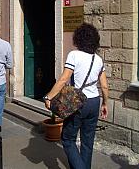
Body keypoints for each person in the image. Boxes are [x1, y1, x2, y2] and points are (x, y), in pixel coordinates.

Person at [44, 23, 108, 169]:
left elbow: (63, 79)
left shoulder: (74, 55)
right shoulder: (98, 59)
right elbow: (104, 86)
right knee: (87, 142)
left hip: (78, 102)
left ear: (78, 39)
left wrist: (49, 97)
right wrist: (105, 103)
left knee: (67, 139)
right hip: (94, 102)